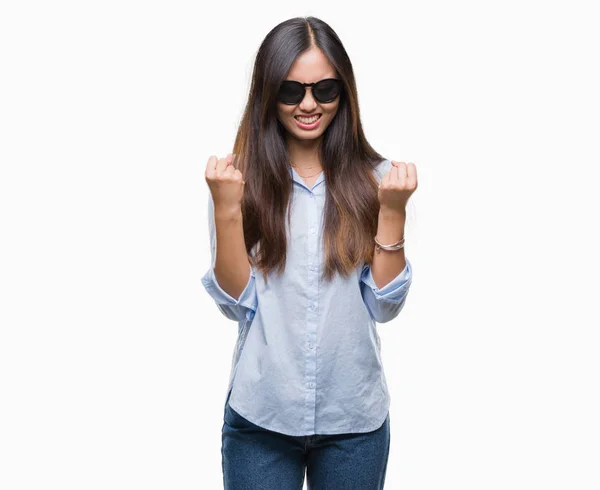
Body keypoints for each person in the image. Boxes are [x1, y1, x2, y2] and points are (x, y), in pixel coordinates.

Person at [201, 16, 418, 490]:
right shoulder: (237, 181)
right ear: (267, 92)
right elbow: (236, 305)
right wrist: (226, 209)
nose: (307, 104)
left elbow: (384, 306)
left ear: (344, 92)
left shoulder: (379, 180)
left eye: (324, 89)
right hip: (262, 418)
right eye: (290, 90)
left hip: (353, 424)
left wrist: (393, 213)